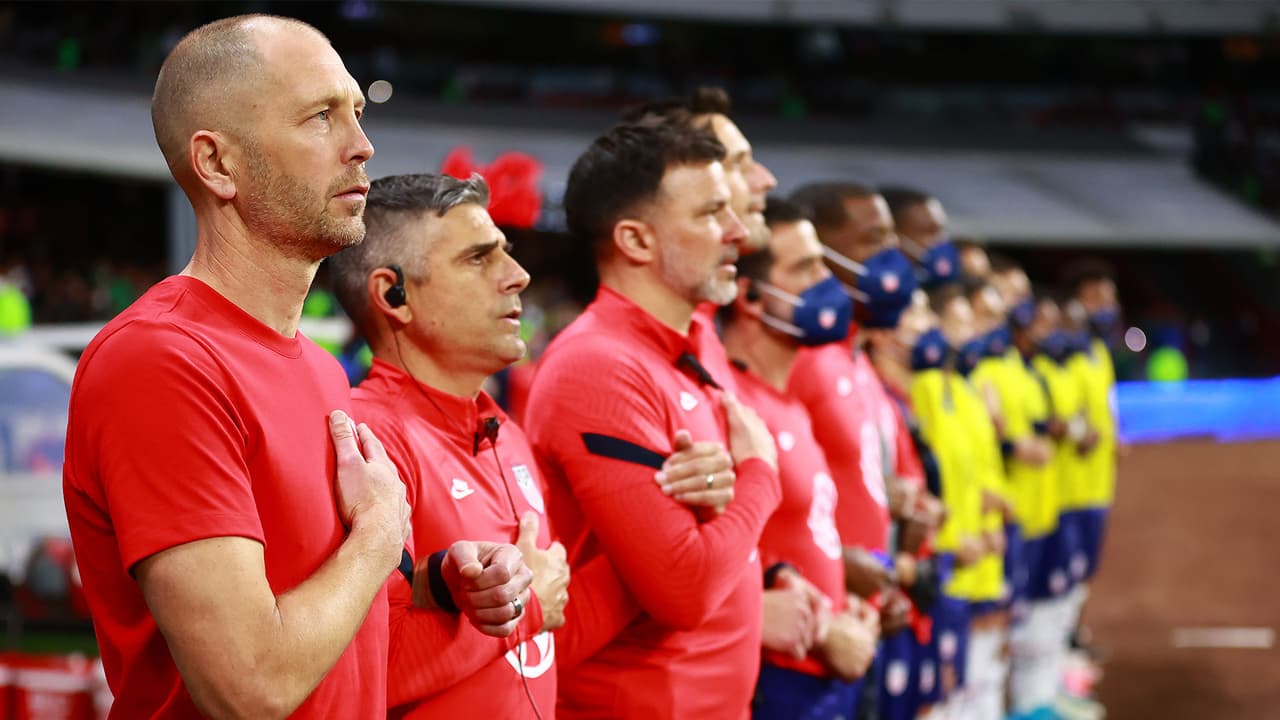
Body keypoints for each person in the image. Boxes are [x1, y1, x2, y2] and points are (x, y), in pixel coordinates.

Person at [62, 16, 523, 718]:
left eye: (358, 113)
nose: (362, 146)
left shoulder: (319, 368)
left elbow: (325, 609)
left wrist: (437, 582)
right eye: (320, 117)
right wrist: (379, 535)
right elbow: (248, 686)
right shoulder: (159, 362)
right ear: (218, 164)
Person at [330, 172, 745, 717]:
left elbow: (546, 640)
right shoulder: (369, 441)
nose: (517, 276)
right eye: (479, 259)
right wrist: (524, 613)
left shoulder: (504, 433)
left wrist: (666, 516)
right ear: (394, 295)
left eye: (506, 252)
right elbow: (356, 676)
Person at [524, 119, 783, 719]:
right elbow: (684, 590)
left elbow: (715, 530)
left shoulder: (692, 338)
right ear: (636, 241)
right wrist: (759, 475)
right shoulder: (597, 367)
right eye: (711, 213)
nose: (737, 231)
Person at [623, 85, 831, 673]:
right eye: (737, 163)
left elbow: (710, 527)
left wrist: (771, 577)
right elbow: (662, 575)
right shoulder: (617, 358)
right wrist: (756, 611)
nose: (764, 179)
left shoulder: (700, 334)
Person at [720, 198, 881, 718]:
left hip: (822, 672)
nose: (826, 281)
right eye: (806, 268)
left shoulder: (788, 401)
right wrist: (824, 628)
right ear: (750, 296)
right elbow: (717, 553)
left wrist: (840, 605)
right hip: (775, 677)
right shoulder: (732, 404)